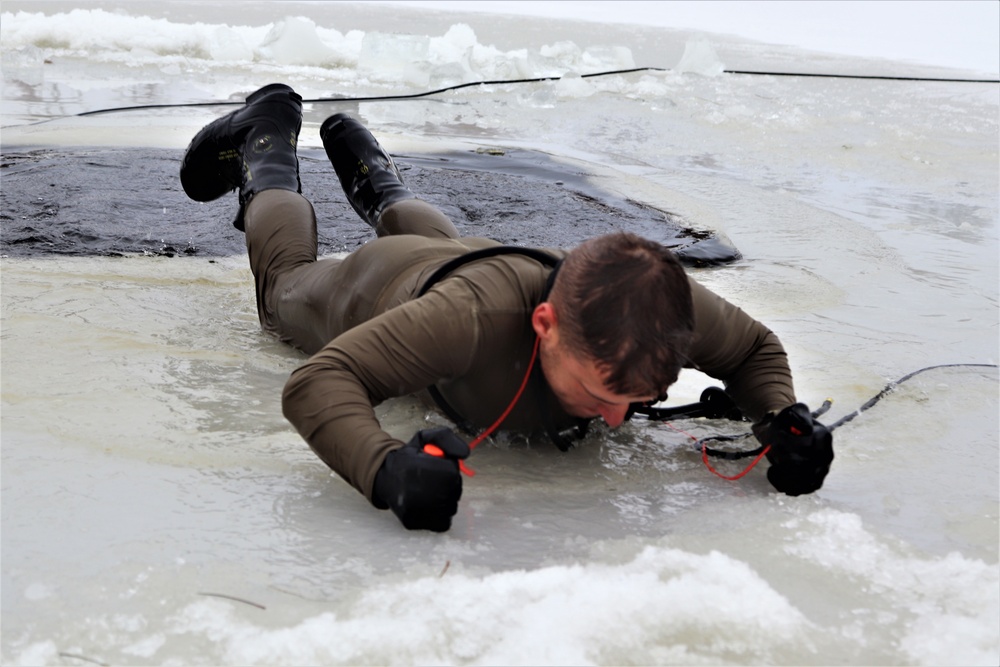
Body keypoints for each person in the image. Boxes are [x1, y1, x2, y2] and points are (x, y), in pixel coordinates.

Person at [180, 83, 834, 532]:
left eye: (637, 398)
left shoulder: (661, 302)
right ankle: (266, 141)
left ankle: (378, 178)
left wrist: (781, 415)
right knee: (282, 289)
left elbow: (755, 350)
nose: (617, 419)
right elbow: (318, 381)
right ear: (544, 327)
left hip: (470, 257)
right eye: (604, 392)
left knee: (447, 243)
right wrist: (385, 470)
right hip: (381, 287)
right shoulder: (467, 321)